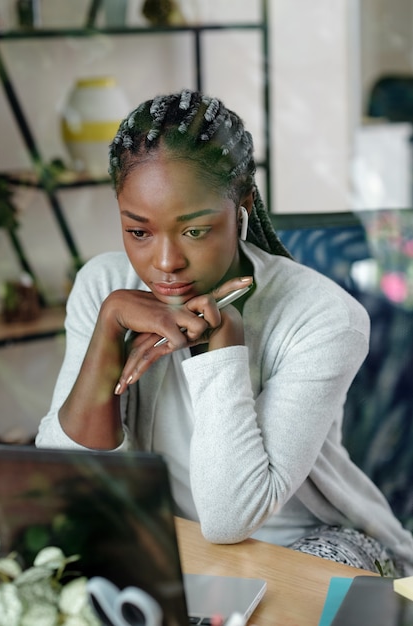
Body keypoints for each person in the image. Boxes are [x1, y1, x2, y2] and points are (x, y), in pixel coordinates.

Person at [36, 89, 413, 575]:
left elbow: (230, 518)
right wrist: (110, 324)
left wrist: (222, 346)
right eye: (139, 232)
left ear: (242, 207)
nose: (166, 263)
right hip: (174, 542)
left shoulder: (323, 317)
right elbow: (68, 482)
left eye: (194, 230)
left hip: (307, 542)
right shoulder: (107, 286)